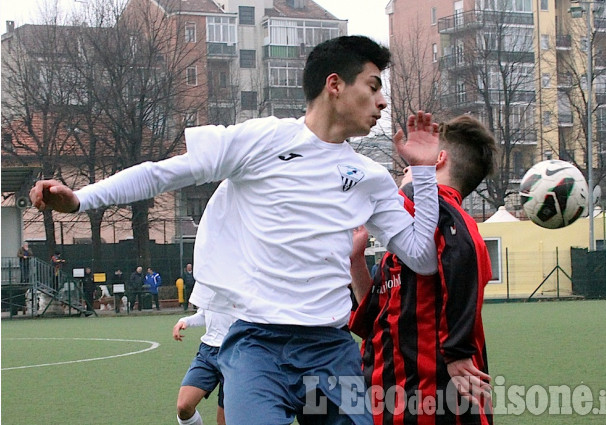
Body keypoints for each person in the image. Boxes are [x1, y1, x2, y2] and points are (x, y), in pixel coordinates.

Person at [30, 35, 441, 424]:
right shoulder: (263, 139)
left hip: (332, 351)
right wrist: (81, 199)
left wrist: (423, 173)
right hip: (257, 347)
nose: (383, 101)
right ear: (335, 85)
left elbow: (421, 257)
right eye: (373, 87)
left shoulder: (369, 176)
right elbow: (163, 174)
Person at [349, 115, 498, 424]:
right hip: (389, 400)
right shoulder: (410, 234)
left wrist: (457, 351)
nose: (404, 170)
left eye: (415, 161)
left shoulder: (447, 218)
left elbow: (462, 252)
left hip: (433, 402)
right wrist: (356, 261)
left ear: (436, 160)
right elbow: (370, 320)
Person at [172, 305, 235, 425]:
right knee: (184, 406)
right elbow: (204, 314)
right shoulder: (206, 286)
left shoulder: (245, 286)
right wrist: (185, 321)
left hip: (235, 353)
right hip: (208, 352)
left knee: (224, 421)